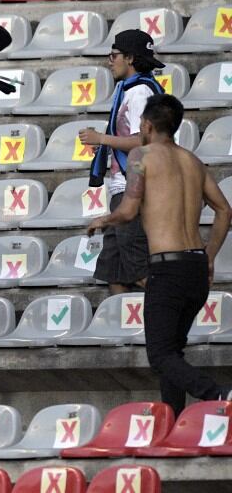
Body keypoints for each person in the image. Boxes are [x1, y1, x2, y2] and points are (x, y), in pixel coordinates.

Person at [88, 94, 232, 415]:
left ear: (146, 125)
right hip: (196, 267)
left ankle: (220, 394)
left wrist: (104, 219)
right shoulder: (193, 161)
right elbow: (225, 210)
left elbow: (128, 210)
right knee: (172, 353)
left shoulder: (140, 155)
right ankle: (173, 421)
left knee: (160, 355)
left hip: (167, 269)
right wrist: (209, 255)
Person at [80, 30, 166, 295]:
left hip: (135, 188)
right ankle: (123, 321)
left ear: (129, 58)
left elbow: (145, 141)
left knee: (138, 270)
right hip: (121, 187)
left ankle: (169, 309)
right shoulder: (129, 89)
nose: (109, 61)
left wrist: (103, 138)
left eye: (113, 55)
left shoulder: (140, 91)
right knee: (113, 270)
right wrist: (106, 143)